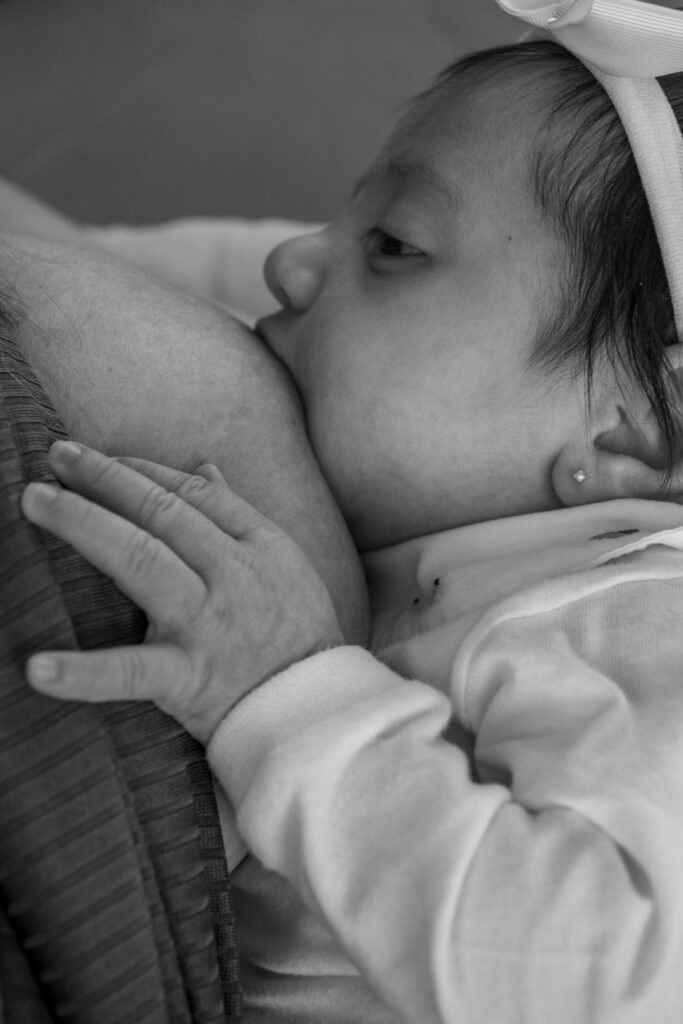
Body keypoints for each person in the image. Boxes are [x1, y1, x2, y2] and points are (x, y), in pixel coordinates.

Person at [18, 2, 683, 1021]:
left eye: (395, 245)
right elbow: (185, 275)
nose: (293, 260)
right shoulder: (413, 457)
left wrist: (292, 694)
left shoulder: (633, 620)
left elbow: (611, 979)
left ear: (627, 438)